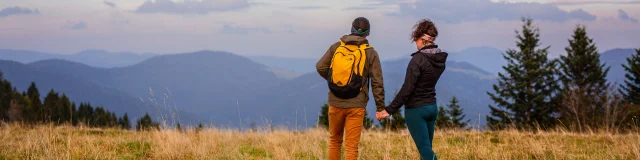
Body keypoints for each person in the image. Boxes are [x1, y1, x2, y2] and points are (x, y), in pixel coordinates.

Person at [316, 17, 386, 160]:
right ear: (368, 33)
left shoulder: (336, 47)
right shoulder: (370, 53)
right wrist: (380, 107)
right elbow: (377, 82)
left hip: (335, 101)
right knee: (351, 146)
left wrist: (335, 81)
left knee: (335, 141)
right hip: (356, 103)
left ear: (351, 29)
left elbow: (320, 67)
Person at [376, 19, 447, 160]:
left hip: (416, 110)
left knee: (425, 150)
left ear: (421, 39)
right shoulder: (439, 59)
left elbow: (407, 89)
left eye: (415, 40)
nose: (415, 43)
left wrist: (388, 110)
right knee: (426, 149)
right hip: (432, 107)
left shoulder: (418, 60)